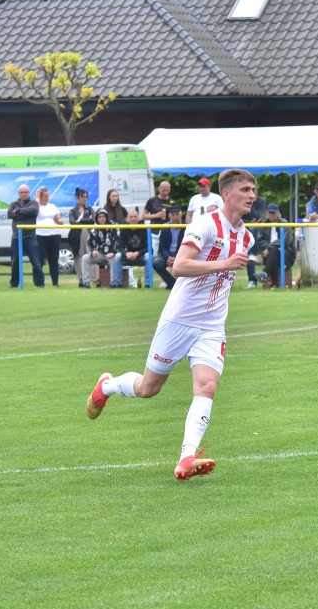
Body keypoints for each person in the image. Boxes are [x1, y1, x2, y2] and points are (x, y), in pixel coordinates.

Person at [86, 168, 256, 482]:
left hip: (212, 326)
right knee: (148, 388)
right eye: (245, 189)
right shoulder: (205, 225)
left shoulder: (247, 236)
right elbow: (178, 266)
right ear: (227, 194)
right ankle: (107, 385)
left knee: (207, 386)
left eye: (253, 190)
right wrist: (224, 263)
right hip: (178, 320)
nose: (252, 195)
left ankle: (186, 457)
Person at [7, 184, 44, 288]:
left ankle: (40, 284)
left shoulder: (34, 203)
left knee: (36, 262)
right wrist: (24, 212)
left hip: (30, 237)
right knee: (15, 263)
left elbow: (33, 211)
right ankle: (14, 284)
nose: (24, 194)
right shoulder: (13, 204)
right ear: (18, 193)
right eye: (22, 192)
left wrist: (18, 211)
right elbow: (10, 214)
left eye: (26, 192)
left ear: (29, 193)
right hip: (16, 238)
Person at [259, 203, 297, 288]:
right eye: (270, 213)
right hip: (272, 251)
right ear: (267, 214)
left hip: (286, 252)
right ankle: (274, 284)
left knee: (273, 251)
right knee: (273, 252)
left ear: (278, 213)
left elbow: (285, 240)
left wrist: (269, 248)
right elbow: (260, 240)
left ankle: (265, 274)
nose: (272, 215)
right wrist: (269, 248)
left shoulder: (284, 223)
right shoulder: (264, 224)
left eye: (274, 213)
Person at [81, 209, 121, 288]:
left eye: (103, 216)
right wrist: (92, 252)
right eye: (99, 217)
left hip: (111, 254)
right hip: (99, 254)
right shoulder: (94, 229)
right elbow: (89, 244)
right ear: (96, 218)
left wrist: (113, 252)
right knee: (85, 258)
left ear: (106, 217)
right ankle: (86, 283)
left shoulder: (114, 226)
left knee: (114, 258)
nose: (102, 218)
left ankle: (113, 283)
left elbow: (119, 241)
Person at [33, 186, 64, 287]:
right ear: (40, 197)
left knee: (54, 260)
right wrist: (37, 196)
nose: (47, 198)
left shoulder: (52, 206)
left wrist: (59, 221)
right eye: (45, 196)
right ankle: (39, 282)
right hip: (41, 236)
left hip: (54, 235)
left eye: (48, 196)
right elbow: (35, 208)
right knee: (40, 260)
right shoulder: (36, 205)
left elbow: (59, 218)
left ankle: (55, 283)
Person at [153, 206, 185, 290]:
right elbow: (162, 247)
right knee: (157, 264)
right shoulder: (165, 229)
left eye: (177, 214)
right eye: (173, 215)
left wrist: (176, 257)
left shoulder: (186, 228)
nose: (175, 217)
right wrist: (169, 257)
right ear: (169, 216)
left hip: (181, 255)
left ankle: (181, 284)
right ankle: (173, 284)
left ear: (181, 215)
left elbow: (185, 246)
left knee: (186, 263)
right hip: (168, 255)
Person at [117, 208, 149, 286]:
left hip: (141, 255)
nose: (133, 219)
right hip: (128, 255)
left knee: (148, 257)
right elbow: (119, 246)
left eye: (135, 216)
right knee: (117, 257)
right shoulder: (124, 229)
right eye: (131, 217)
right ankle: (117, 283)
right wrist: (126, 253)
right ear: (128, 219)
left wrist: (137, 253)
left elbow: (149, 247)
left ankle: (148, 283)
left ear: (138, 218)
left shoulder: (145, 229)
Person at [68, 187, 94, 285]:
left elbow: (93, 220)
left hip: (88, 235)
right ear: (77, 197)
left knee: (88, 255)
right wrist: (86, 219)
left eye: (86, 197)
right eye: (83, 197)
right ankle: (80, 279)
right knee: (78, 257)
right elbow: (72, 222)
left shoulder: (89, 209)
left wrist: (81, 220)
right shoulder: (73, 211)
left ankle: (91, 278)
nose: (85, 199)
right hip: (76, 236)